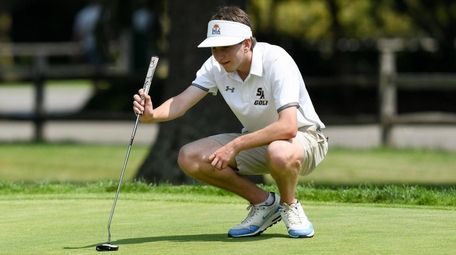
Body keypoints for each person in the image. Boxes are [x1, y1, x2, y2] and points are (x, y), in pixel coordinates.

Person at [133, 6, 328, 238]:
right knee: (190, 157)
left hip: (303, 140)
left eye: (226, 47)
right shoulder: (216, 66)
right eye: (215, 48)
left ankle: (289, 205)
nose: (219, 54)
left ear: (246, 44)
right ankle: (265, 204)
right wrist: (152, 114)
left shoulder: (276, 60)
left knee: (278, 151)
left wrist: (235, 146)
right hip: (256, 141)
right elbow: (181, 102)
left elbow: (288, 126)